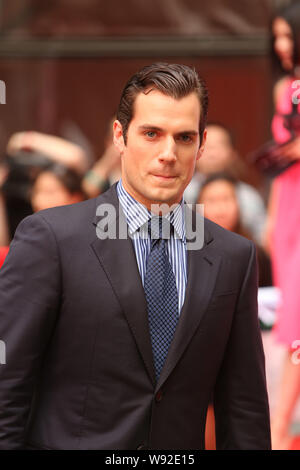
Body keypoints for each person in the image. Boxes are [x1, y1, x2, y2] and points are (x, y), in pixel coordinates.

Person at [0, 63, 271, 450]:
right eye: (151, 133)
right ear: (119, 136)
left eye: (184, 137)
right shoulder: (51, 239)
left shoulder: (233, 257)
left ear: (202, 144)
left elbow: (244, 411)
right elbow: (7, 384)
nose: (168, 153)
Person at [263, 3, 300, 450]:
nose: (281, 46)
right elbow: (277, 160)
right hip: (288, 205)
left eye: (288, 35)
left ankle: (276, 430)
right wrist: (273, 217)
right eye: (277, 37)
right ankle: (277, 429)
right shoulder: (283, 89)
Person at [184, 123, 267, 244]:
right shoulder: (181, 191)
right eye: (206, 146)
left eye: (219, 145)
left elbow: (263, 239)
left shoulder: (248, 196)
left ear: (232, 153)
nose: (212, 153)